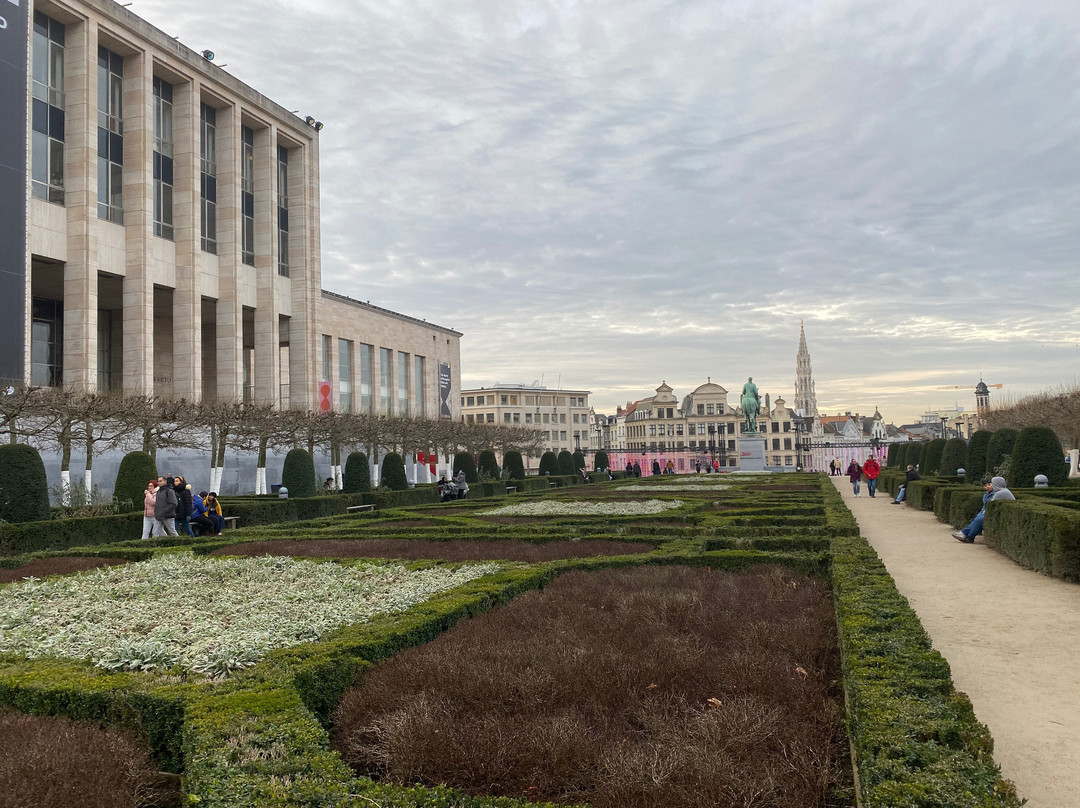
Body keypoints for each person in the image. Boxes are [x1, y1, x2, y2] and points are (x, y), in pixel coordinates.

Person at [953, 476, 1014, 543]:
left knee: (979, 520)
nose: (991, 485)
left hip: (999, 514)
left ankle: (968, 536)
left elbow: (990, 505)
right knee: (978, 519)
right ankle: (965, 534)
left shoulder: (1000, 493)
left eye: (992, 484)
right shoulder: (1002, 491)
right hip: (999, 512)